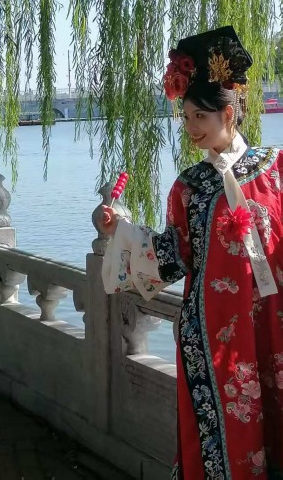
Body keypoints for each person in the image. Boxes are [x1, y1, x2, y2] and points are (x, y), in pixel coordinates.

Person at [100, 26, 283, 480]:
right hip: (212, 336)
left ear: (229, 113)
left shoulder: (277, 169)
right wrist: (120, 231)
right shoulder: (190, 187)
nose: (191, 128)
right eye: (185, 118)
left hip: (273, 324)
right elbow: (171, 257)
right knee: (221, 439)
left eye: (200, 116)